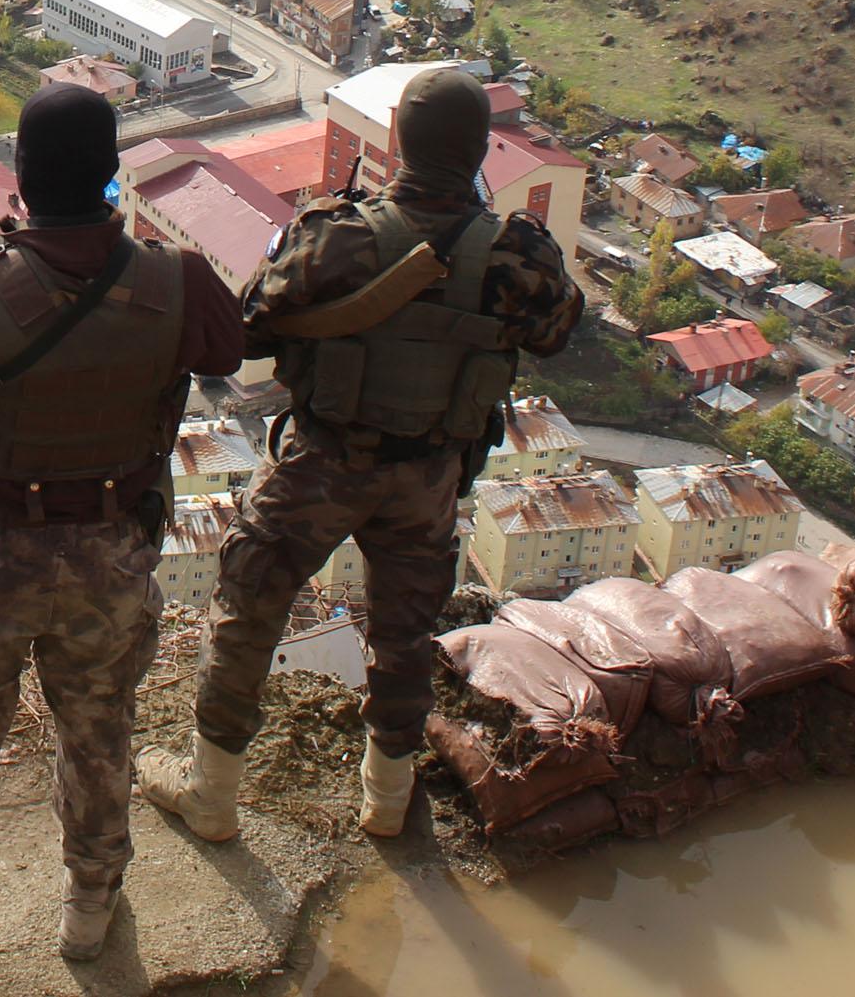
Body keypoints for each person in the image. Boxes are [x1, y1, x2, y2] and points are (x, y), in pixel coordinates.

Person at [139, 67, 583, 844]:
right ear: (480, 148)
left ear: (396, 144)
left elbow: (251, 328)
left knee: (249, 606)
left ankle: (212, 795)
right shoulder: (521, 254)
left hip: (323, 463)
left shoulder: (336, 235)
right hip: (431, 477)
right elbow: (556, 332)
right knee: (404, 631)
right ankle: (385, 799)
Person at [0, 83, 243, 976]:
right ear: (112, 176)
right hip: (113, 555)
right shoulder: (174, 279)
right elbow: (227, 349)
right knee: (101, 728)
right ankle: (89, 906)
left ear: (21, 178)